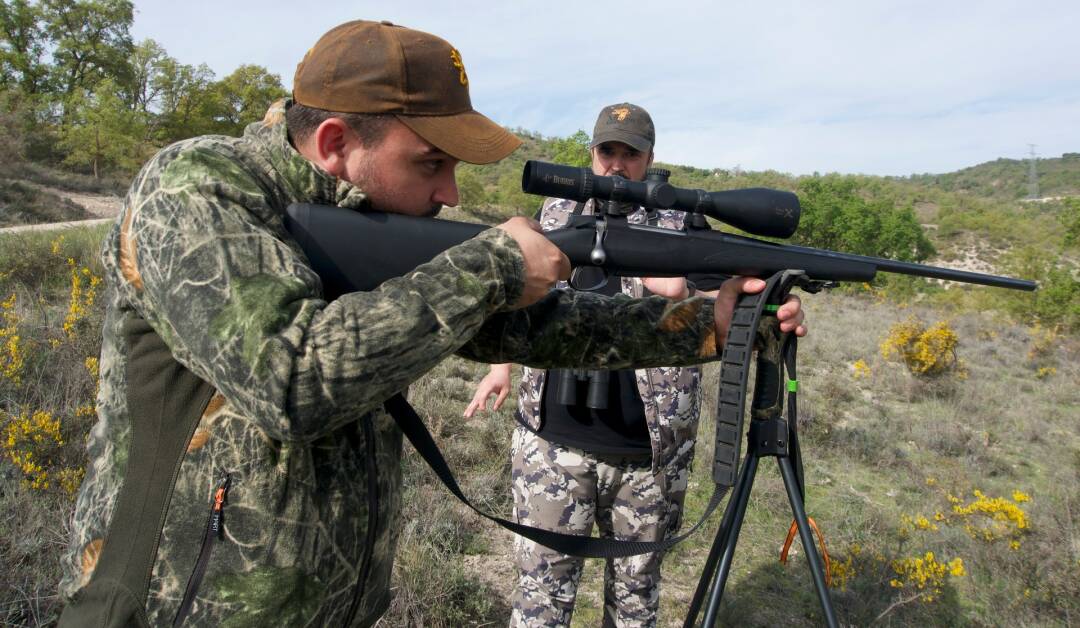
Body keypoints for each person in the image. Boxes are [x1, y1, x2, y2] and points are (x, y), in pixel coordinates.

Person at [58, 21, 805, 627]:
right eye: (429, 164)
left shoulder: (365, 222)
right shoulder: (195, 188)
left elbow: (537, 330)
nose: (449, 192)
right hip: (169, 608)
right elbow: (288, 382)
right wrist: (489, 266)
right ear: (334, 145)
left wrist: (704, 323)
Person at [464, 103, 807, 627]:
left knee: (635, 601)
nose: (617, 166)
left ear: (651, 159)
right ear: (591, 154)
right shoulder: (556, 214)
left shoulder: (686, 226)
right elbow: (526, 300)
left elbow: (730, 306)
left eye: (631, 154)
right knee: (539, 600)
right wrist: (501, 366)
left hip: (650, 454)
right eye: (607, 152)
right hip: (552, 445)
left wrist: (728, 298)